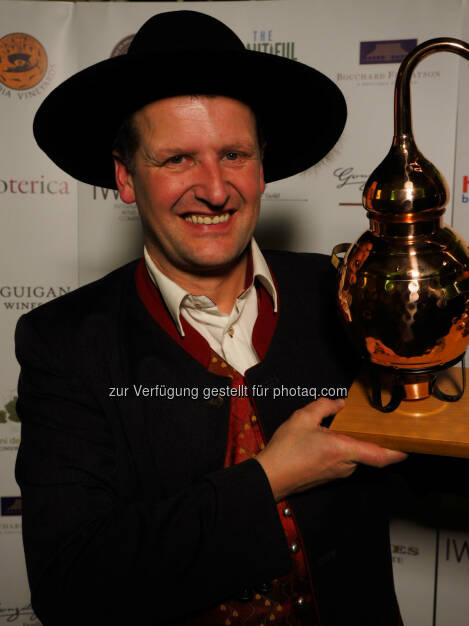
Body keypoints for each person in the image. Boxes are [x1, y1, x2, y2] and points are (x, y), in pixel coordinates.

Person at [15, 10, 407, 626]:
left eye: (234, 154)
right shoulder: (64, 344)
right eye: (177, 159)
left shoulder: (346, 292)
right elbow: (71, 583)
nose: (216, 188)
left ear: (261, 165)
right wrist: (269, 479)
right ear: (125, 176)